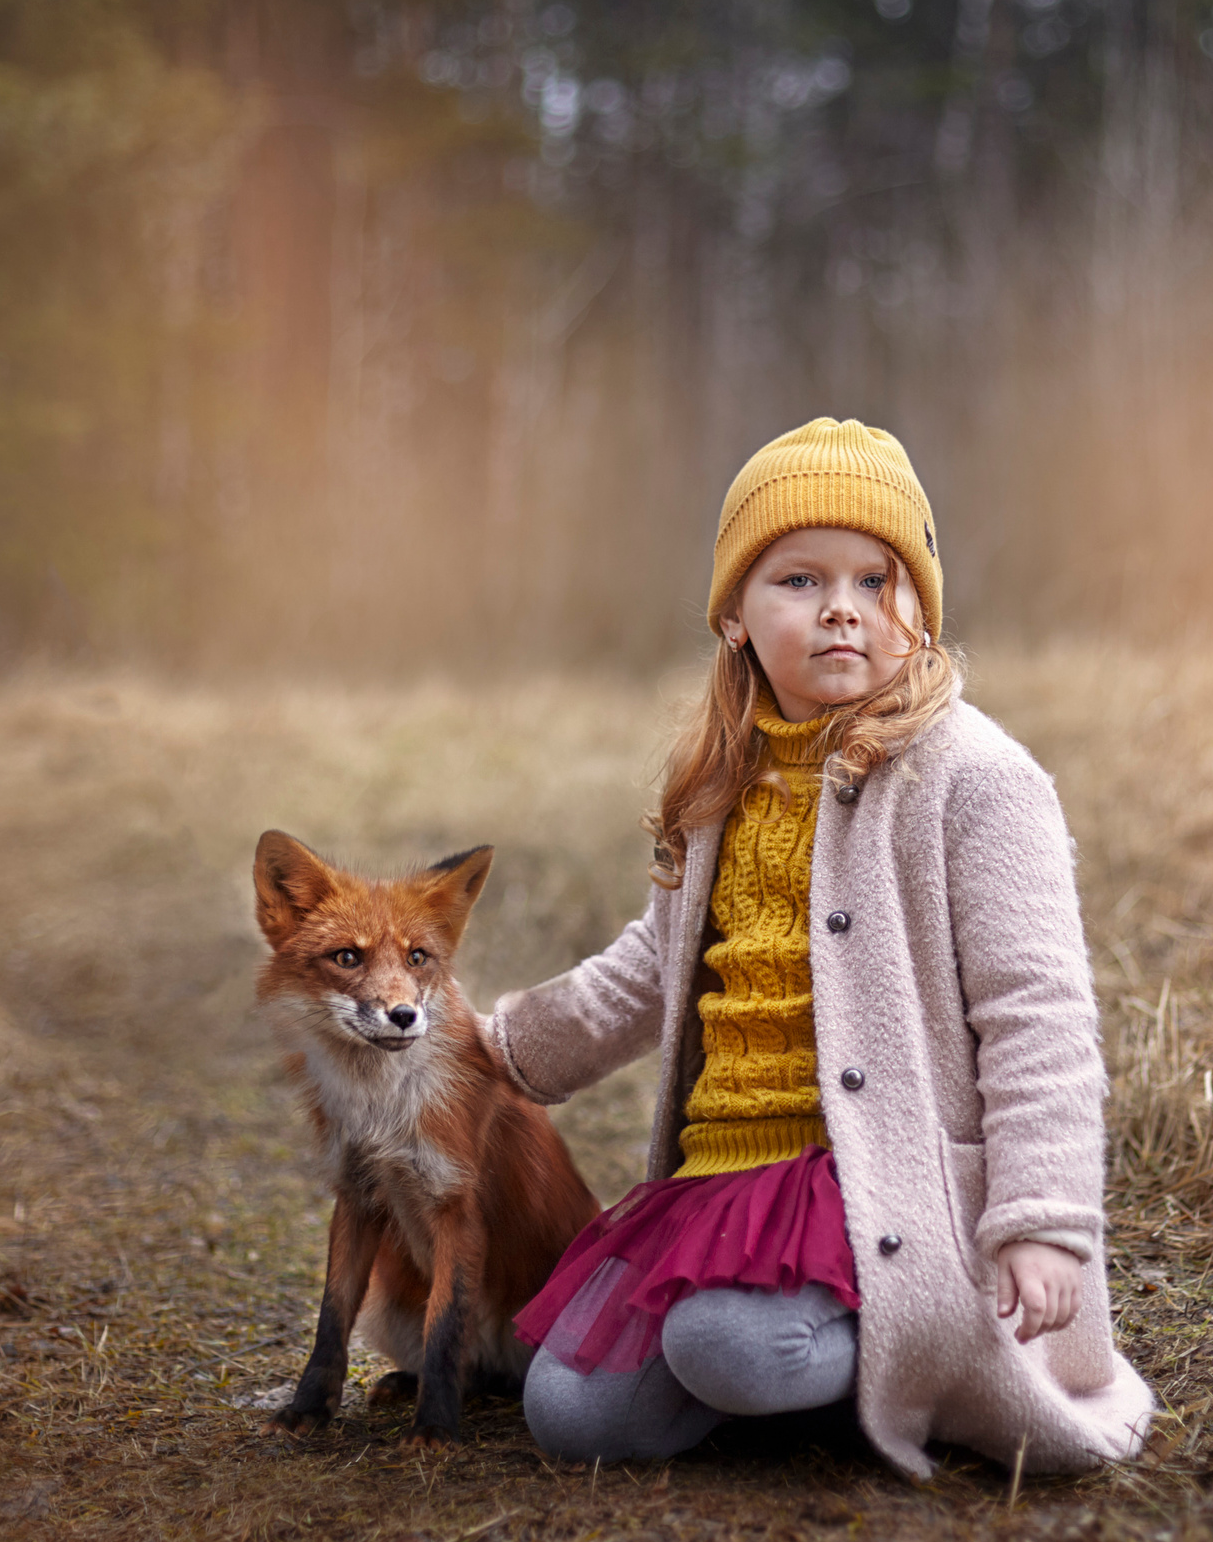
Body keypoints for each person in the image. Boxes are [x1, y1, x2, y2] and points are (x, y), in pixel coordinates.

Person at [487, 417, 1153, 1478]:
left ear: (919, 614)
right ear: (736, 620)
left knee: (726, 1344)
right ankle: (795, 1367)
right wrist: (503, 1049)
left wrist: (1043, 1221)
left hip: (879, 1191)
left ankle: (913, 1349)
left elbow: (1039, 1018)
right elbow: (652, 971)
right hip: (724, 1184)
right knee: (570, 1413)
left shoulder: (976, 781)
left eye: (877, 580)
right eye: (798, 579)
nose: (843, 607)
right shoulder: (723, 787)